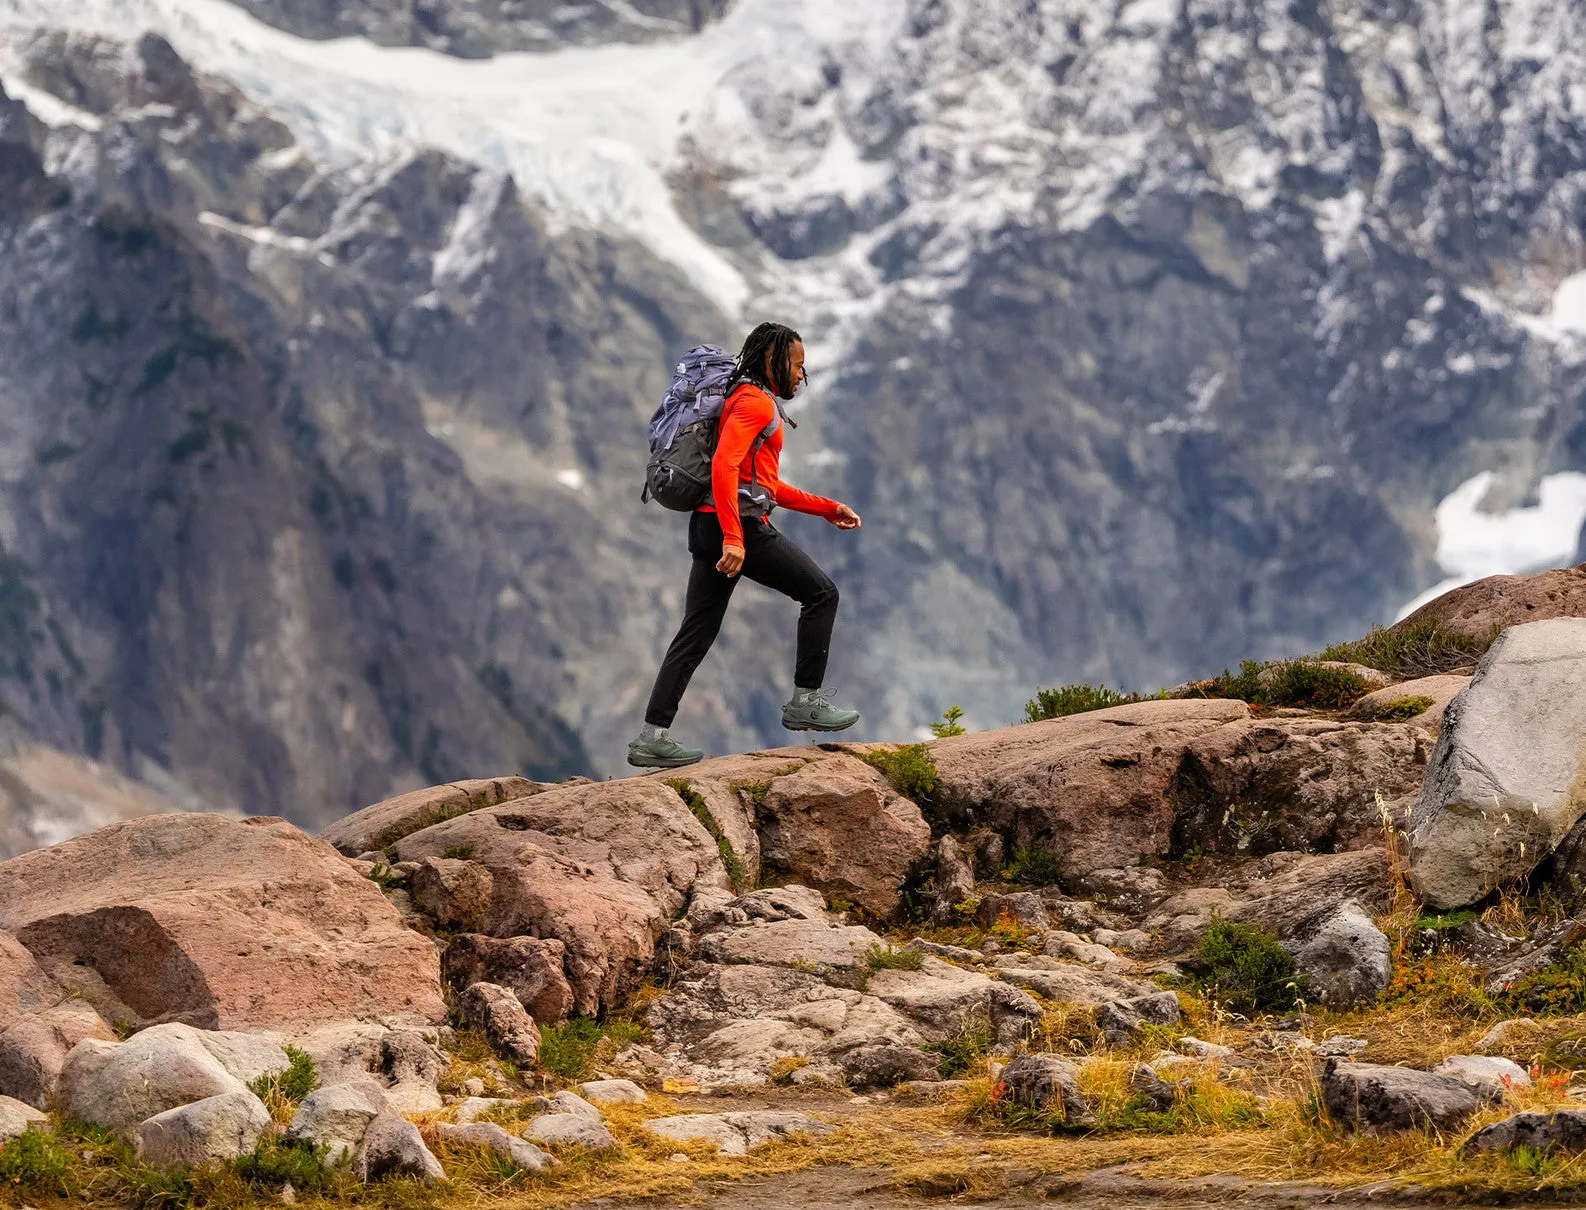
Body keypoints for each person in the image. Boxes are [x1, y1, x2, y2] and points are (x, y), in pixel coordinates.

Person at [628, 322, 864, 769]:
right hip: (735, 527)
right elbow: (723, 465)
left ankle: (651, 736)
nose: (801, 375)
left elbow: (765, 484)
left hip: (706, 524)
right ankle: (805, 701)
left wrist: (827, 507)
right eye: (796, 365)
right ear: (773, 360)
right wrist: (736, 538)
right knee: (821, 594)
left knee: (695, 631)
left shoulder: (745, 399)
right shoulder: (754, 402)